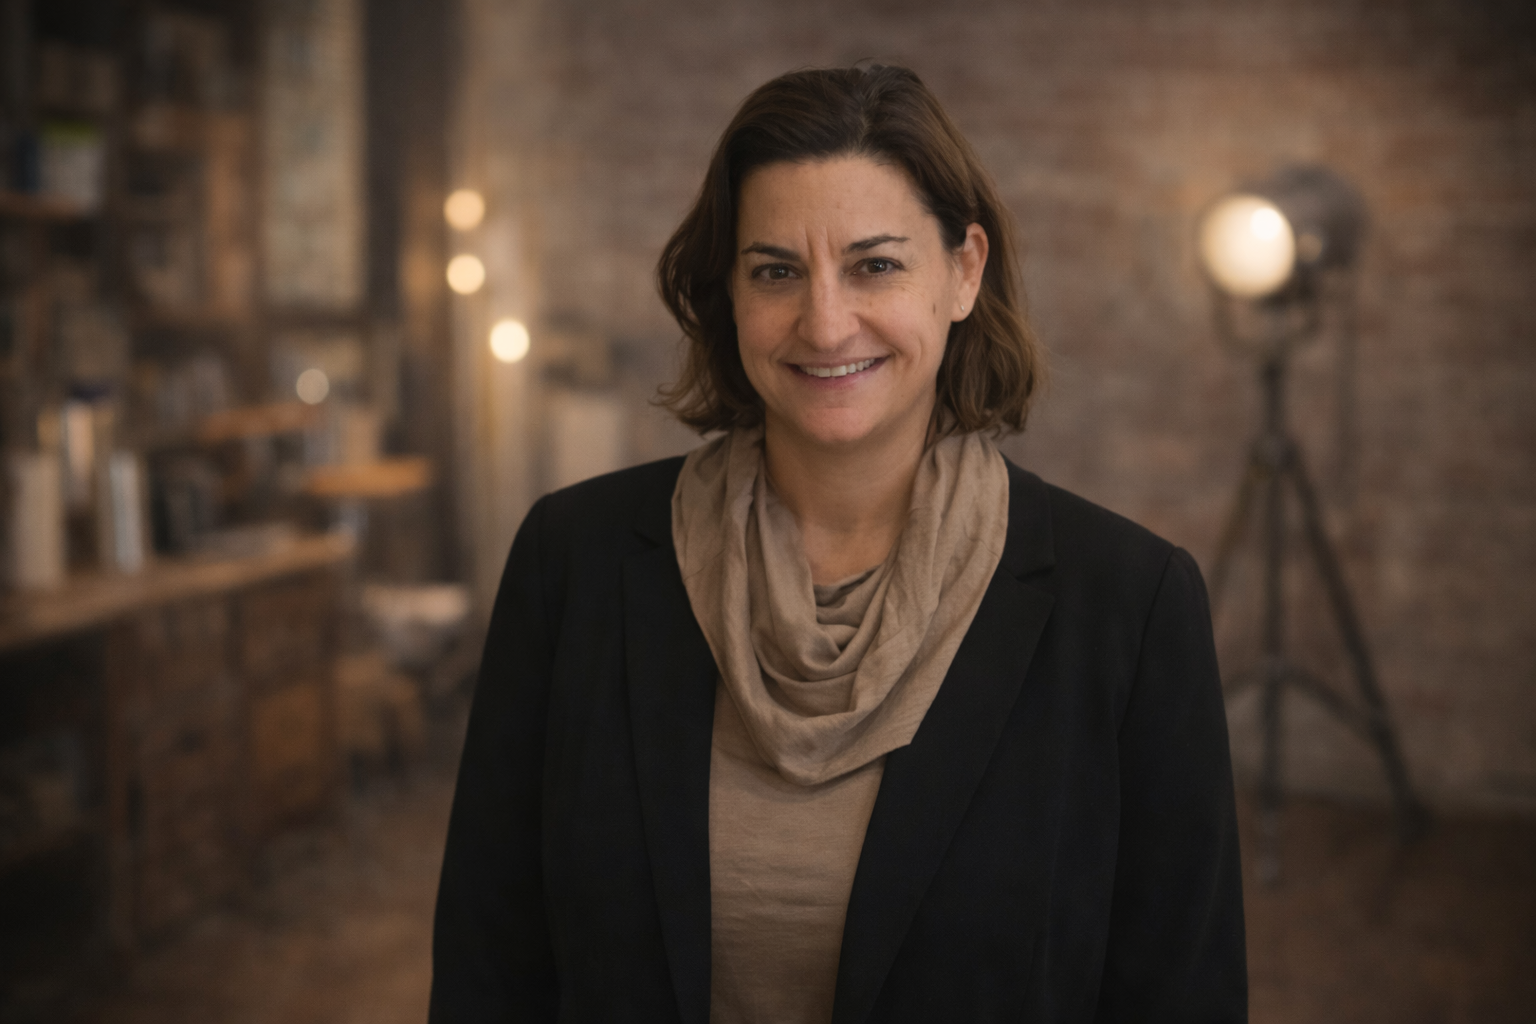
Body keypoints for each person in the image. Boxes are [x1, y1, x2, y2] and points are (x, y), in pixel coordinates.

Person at [430, 64, 1247, 1024]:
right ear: (727, 294)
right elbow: (490, 964)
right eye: (775, 270)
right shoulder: (573, 562)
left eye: (875, 264)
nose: (824, 322)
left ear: (964, 270)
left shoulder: (1132, 606)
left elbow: (1179, 998)